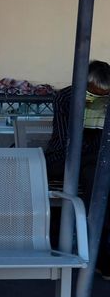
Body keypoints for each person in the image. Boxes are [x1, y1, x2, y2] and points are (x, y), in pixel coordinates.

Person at [45, 59, 110, 275]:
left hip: (96, 160)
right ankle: (100, 255)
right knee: (97, 178)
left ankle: (98, 251)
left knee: (99, 174)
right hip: (63, 159)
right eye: (95, 92)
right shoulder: (66, 97)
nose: (99, 97)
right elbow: (67, 143)